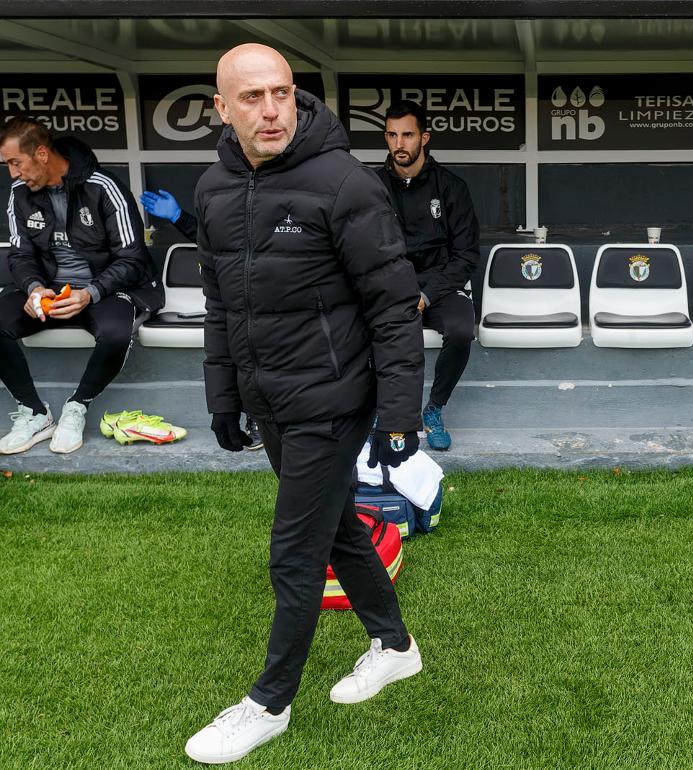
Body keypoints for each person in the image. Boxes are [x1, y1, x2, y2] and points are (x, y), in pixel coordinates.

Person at [184, 44, 427, 765]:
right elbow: (221, 305)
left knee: (295, 552)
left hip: (331, 397)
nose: (270, 110)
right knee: (336, 527)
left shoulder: (343, 183)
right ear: (221, 109)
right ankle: (395, 646)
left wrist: (399, 414)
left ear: (297, 97)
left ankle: (268, 704)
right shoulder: (213, 190)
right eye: (252, 97)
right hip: (270, 399)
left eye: (281, 93)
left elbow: (392, 307)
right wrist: (223, 396)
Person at [0, 117, 163, 455]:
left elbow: (132, 258)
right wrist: (33, 288)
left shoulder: (103, 186)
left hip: (102, 289)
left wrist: (90, 292)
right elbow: (20, 255)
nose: (12, 173)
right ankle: (35, 413)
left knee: (117, 333)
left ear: (42, 154)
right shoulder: (19, 193)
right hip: (48, 290)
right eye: (8, 164)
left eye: (16, 162)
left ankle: (77, 406)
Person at [376, 100, 480, 451]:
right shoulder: (371, 187)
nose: (399, 143)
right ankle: (383, 411)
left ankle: (434, 409)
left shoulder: (451, 187)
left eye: (407, 135)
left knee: (462, 330)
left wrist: (427, 294)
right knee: (355, 326)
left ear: (424, 137)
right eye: (392, 135)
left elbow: (466, 255)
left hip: (441, 285)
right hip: (391, 285)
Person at [139, 187, 263, 449]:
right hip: (242, 301)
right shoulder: (230, 198)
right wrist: (176, 217)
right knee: (242, 349)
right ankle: (256, 418)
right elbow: (215, 244)